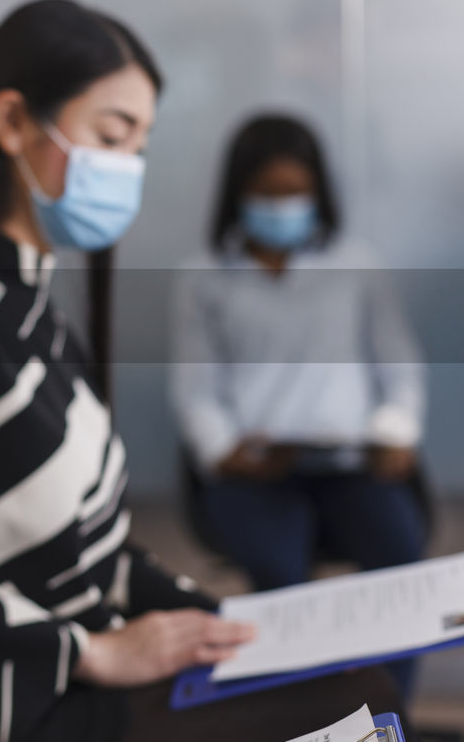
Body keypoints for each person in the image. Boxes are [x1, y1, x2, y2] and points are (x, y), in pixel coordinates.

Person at [0, 0, 399, 742]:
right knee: (356, 705)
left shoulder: (27, 303)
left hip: (76, 665)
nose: (127, 169)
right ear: (13, 123)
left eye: (140, 146)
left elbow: (89, 546)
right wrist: (88, 650)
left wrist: (228, 623)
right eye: (111, 136)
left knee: (355, 680)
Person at [169, 113, 428, 694]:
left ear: (318, 192)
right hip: (255, 471)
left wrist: (396, 432)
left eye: (295, 193)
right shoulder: (204, 278)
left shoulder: (356, 266)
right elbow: (196, 389)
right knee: (281, 583)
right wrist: (225, 451)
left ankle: (389, 719)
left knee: (400, 562)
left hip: (352, 464)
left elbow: (400, 367)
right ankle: (310, 720)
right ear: (239, 194)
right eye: (267, 194)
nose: (283, 207)